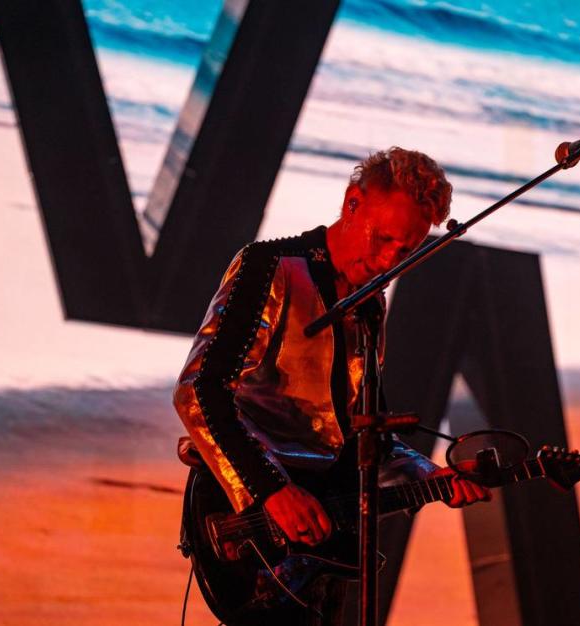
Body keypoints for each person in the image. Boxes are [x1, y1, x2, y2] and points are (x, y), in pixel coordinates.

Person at [173, 147, 490, 624]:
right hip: (252, 519)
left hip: (327, 529)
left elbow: (367, 434)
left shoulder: (370, 306)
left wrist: (427, 473)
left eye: (405, 251)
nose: (388, 261)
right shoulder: (270, 266)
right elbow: (199, 390)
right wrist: (271, 491)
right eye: (382, 239)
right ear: (352, 203)